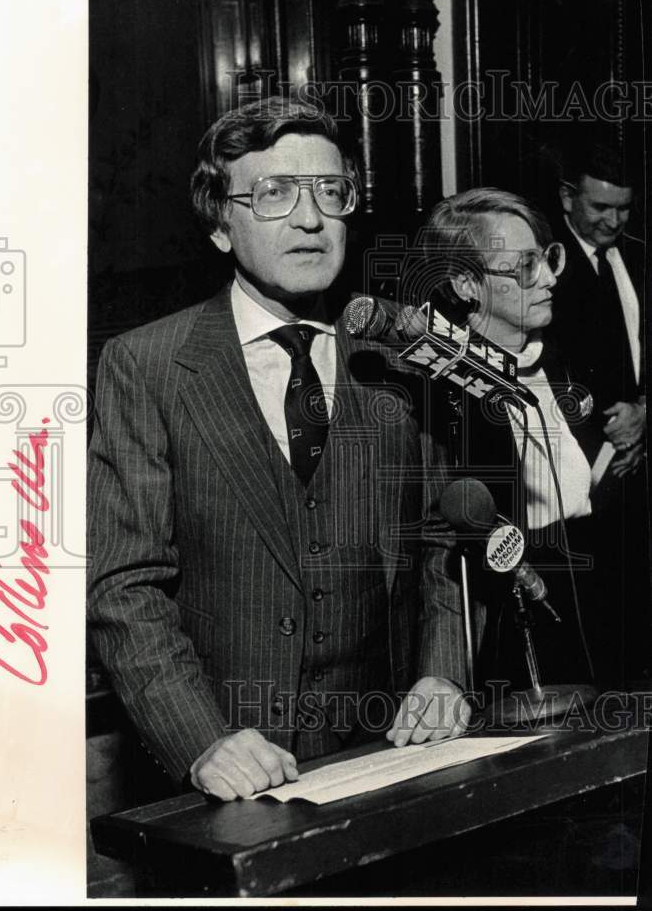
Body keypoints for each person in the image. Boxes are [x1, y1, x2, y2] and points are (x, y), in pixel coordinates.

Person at [87, 97, 470, 804]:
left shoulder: (399, 354)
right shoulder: (146, 366)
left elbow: (442, 538)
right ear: (219, 225)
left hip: (385, 762)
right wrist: (199, 739)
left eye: (331, 191)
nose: (310, 217)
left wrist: (443, 671)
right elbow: (122, 585)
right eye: (274, 193)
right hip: (228, 780)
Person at [418, 188, 602, 693]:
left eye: (547, 258)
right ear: (465, 284)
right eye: (523, 267)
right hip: (505, 626)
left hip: (596, 600)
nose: (547, 278)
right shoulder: (441, 394)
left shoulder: (567, 362)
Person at [546, 136, 649, 686]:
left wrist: (644, 417)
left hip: (638, 481)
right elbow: (546, 372)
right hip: (581, 483)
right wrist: (611, 448)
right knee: (596, 642)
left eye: (624, 207)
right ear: (568, 198)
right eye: (601, 207)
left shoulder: (635, 255)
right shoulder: (546, 267)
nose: (614, 220)